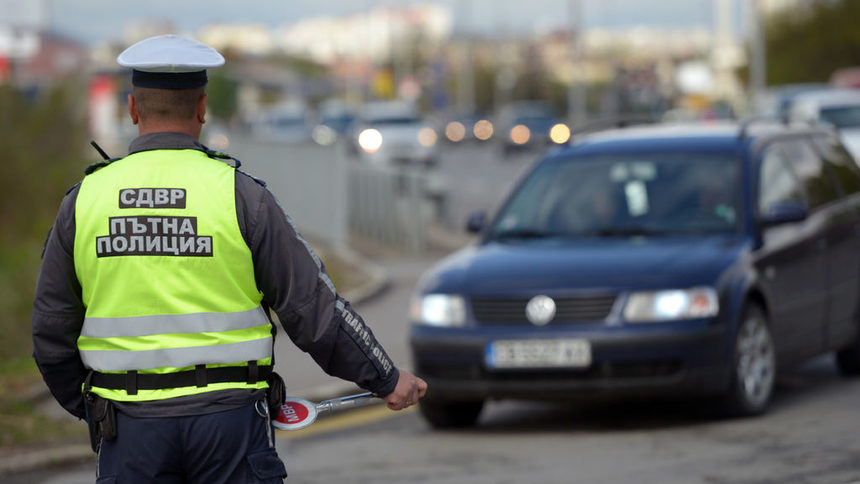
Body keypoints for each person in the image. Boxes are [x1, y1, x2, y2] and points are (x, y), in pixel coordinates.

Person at [32, 34, 426, 483]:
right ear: (202, 109)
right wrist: (386, 377)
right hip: (231, 432)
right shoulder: (242, 196)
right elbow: (314, 307)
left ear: (132, 109)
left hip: (129, 429)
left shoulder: (85, 202)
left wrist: (96, 411)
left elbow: (50, 332)